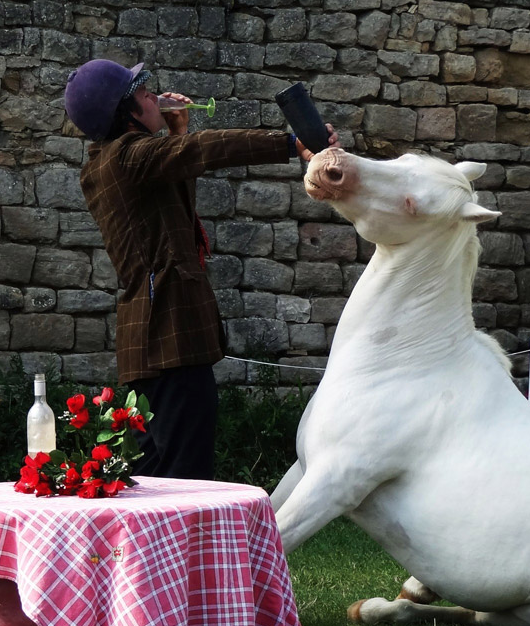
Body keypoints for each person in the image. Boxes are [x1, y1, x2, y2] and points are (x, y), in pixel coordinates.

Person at [64, 59, 338, 479]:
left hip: (154, 343)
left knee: (153, 478)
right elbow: (204, 151)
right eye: (142, 92)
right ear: (126, 112)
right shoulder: (127, 156)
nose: (154, 96)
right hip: (169, 339)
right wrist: (289, 144)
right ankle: (187, 547)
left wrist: (176, 131)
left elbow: (175, 200)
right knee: (185, 479)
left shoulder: (115, 161)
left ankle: (144, 548)